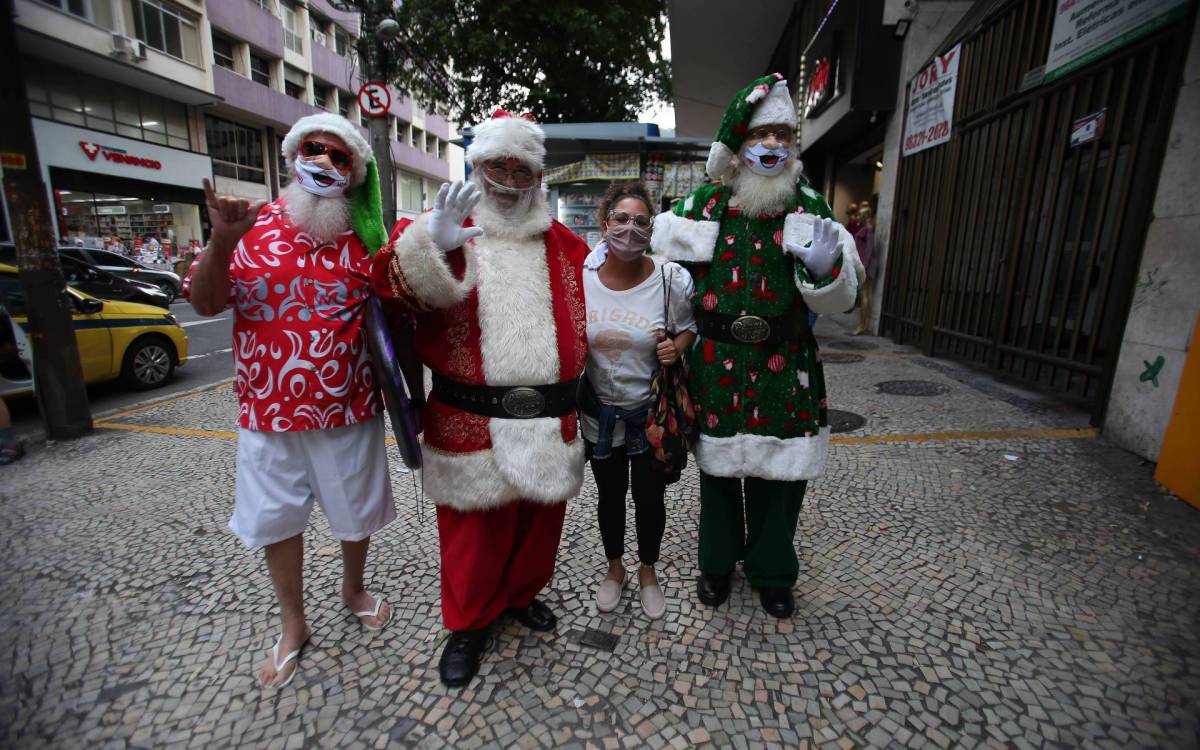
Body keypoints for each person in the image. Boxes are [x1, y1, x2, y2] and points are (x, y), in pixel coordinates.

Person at [371, 110, 589, 687]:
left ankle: (519, 596)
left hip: (548, 417)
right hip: (469, 417)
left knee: (539, 524)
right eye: (498, 165)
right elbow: (386, 292)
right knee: (472, 534)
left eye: (523, 169)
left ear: (539, 178)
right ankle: (468, 623)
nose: (510, 180)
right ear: (476, 166)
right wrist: (430, 249)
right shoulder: (441, 229)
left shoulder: (567, 246)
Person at [185, 113, 394, 688]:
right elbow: (204, 304)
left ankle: (353, 589)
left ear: (355, 173)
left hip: (348, 408)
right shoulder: (251, 226)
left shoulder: (367, 238)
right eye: (314, 149)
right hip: (267, 411)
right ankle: (293, 623)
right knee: (278, 520)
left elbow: (397, 316)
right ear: (293, 155)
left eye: (339, 156)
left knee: (356, 510)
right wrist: (222, 241)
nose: (324, 161)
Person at [653, 74, 863, 618]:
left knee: (784, 478)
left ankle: (772, 571)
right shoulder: (706, 204)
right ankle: (717, 566)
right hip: (718, 362)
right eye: (760, 134)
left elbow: (847, 295)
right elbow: (658, 253)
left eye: (783, 136)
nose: (772, 145)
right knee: (719, 477)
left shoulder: (811, 203)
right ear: (739, 142)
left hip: (784, 363)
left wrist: (827, 270)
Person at [581, 181, 696, 619]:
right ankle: (615, 568)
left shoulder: (669, 278)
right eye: (621, 219)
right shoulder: (585, 276)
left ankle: (648, 570)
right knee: (608, 497)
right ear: (605, 223)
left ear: (652, 228)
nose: (630, 229)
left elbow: (688, 327)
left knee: (649, 499)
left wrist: (677, 347)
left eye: (640, 221)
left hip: (651, 417)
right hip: (599, 416)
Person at [853, 203, 877, 336]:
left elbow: (869, 249)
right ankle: (863, 323)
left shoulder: (868, 229)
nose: (858, 217)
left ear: (865, 215)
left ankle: (862, 324)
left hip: (866, 265)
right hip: (865, 264)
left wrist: (864, 266)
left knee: (865, 294)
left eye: (860, 215)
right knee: (866, 294)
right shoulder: (867, 228)